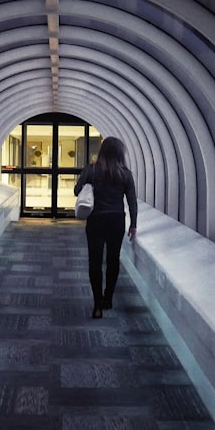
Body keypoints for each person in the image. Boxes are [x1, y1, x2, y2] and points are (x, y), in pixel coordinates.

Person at [73, 137, 138, 319]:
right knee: (113, 260)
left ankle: (97, 305)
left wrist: (87, 184)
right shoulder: (125, 174)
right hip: (117, 221)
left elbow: (77, 191)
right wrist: (133, 224)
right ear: (119, 153)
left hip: (95, 221)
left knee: (95, 262)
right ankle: (108, 298)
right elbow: (131, 201)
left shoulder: (91, 170)